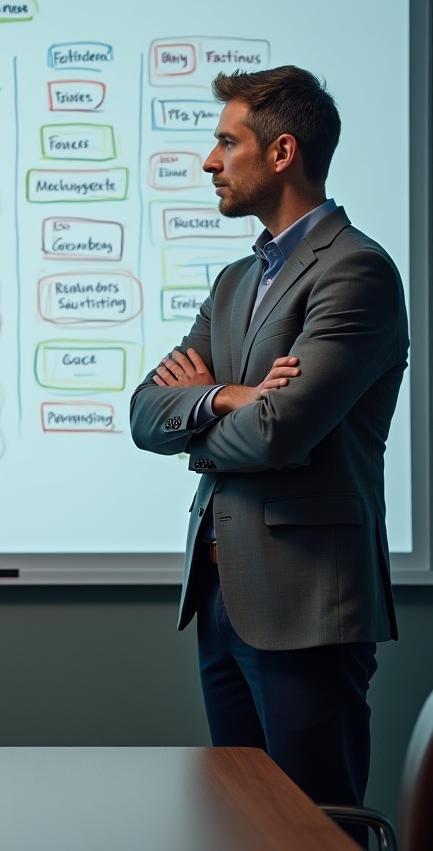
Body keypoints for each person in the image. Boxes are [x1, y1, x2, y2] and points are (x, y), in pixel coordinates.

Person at [130, 66, 408, 824]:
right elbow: (144, 412)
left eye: (227, 142)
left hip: (308, 601)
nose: (210, 161)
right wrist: (227, 395)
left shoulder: (357, 272)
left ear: (282, 152)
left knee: (314, 828)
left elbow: (283, 433)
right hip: (222, 596)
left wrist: (212, 415)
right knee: (243, 826)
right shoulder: (232, 282)